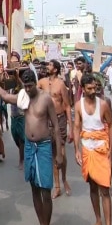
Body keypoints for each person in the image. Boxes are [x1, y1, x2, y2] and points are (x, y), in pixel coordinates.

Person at [0, 69, 63, 225]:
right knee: (34, 188)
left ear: (35, 83)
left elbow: (56, 127)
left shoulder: (46, 99)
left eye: (30, 86)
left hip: (44, 147)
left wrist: (59, 153)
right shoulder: (23, 97)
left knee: (45, 189)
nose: (28, 89)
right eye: (26, 86)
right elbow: (5, 96)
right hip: (30, 147)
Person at [73, 73, 112, 225]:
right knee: (92, 186)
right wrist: (77, 149)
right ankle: (98, 221)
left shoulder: (104, 105)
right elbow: (77, 126)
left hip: (101, 149)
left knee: (105, 190)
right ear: (83, 89)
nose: (93, 91)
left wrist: (110, 149)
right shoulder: (78, 106)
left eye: (95, 88)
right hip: (87, 149)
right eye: (89, 88)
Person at [39, 59, 74, 198]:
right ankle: (57, 185)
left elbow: (67, 106)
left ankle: (64, 179)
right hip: (47, 121)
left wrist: (70, 127)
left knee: (62, 154)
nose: (47, 66)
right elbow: (29, 90)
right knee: (53, 155)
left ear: (56, 69)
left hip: (59, 120)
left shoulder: (61, 85)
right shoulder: (42, 82)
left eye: (50, 65)